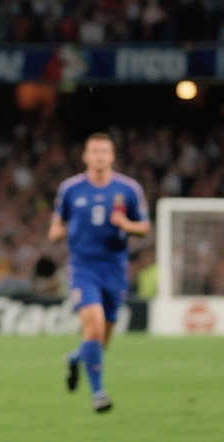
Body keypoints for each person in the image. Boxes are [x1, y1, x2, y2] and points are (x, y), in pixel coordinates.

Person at [48, 132, 149, 412]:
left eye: (104, 151)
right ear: (86, 156)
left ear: (112, 156)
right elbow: (55, 228)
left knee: (101, 341)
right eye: (94, 151)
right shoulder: (71, 189)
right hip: (83, 268)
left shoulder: (128, 189)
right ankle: (99, 394)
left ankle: (74, 359)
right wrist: (65, 230)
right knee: (93, 327)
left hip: (115, 268)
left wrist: (126, 225)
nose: (99, 156)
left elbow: (144, 227)